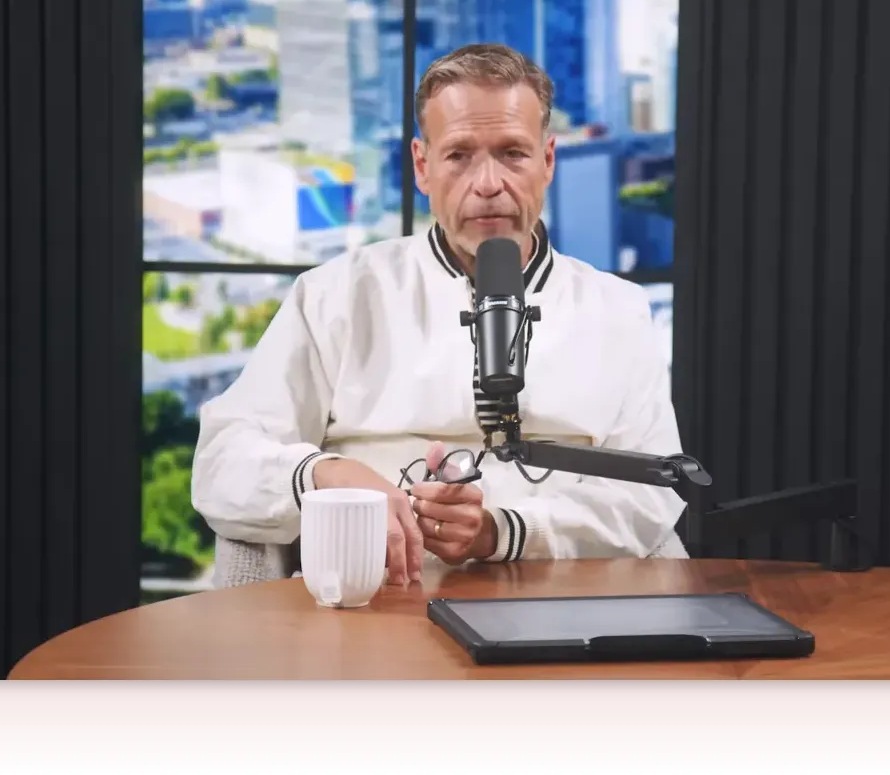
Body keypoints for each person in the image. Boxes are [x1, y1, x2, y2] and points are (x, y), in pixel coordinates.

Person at [192, 42, 688, 587]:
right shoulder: (336, 296)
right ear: (422, 166)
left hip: (560, 599)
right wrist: (326, 476)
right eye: (459, 155)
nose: (488, 184)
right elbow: (223, 461)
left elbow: (651, 494)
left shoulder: (616, 310)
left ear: (548, 162)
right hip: (376, 608)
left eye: (513, 153)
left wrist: (501, 532)